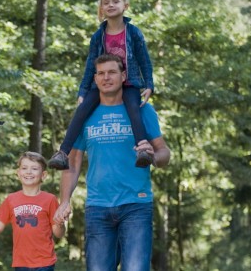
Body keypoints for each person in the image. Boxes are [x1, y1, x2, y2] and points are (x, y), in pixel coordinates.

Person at [53, 54, 170, 271]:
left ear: (123, 75)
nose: (106, 78)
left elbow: (164, 153)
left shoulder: (143, 110)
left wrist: (153, 156)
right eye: (101, 73)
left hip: (136, 203)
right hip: (98, 206)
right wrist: (64, 201)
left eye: (112, 72)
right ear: (95, 78)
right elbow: (73, 161)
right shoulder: (85, 114)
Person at [49, 0, 155, 170]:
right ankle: (62, 153)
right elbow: (91, 64)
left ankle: (142, 149)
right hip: (104, 84)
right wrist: (83, 90)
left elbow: (144, 60)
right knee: (81, 111)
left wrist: (149, 84)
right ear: (101, 9)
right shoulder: (98, 36)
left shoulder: (133, 33)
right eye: (106, 3)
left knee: (133, 109)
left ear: (125, 5)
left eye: (116, 1)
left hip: (129, 83)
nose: (111, 5)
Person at [0, 152, 64, 271]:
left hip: (45, 262)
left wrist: (60, 224)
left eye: (34, 168)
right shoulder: (11, 199)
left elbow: (58, 233)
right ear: (18, 173)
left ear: (44, 175)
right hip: (21, 263)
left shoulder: (50, 199)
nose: (29, 172)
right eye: (24, 168)